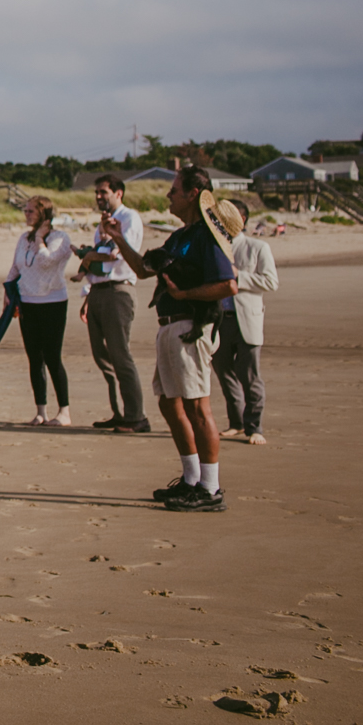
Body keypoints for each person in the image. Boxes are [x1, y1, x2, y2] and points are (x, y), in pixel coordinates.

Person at [99, 166, 239, 512]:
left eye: (174, 190)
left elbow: (229, 285)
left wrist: (185, 293)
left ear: (193, 194)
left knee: (196, 405)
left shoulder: (208, 235)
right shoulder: (181, 237)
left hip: (191, 326)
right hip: (171, 325)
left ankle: (210, 487)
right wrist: (118, 238)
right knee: (168, 402)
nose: (168, 196)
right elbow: (145, 269)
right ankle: (193, 479)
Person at [78, 175, 150, 432]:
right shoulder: (103, 224)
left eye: (103, 192)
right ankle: (119, 412)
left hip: (119, 291)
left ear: (118, 193)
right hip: (98, 290)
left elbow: (115, 256)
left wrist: (87, 257)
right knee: (102, 356)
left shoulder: (129, 218)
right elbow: (100, 261)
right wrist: (87, 293)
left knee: (121, 355)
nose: (99, 196)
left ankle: (136, 416)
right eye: (97, 192)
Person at [5, 195, 72, 427]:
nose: (27, 215)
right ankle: (40, 410)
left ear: (44, 214)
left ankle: (64, 411)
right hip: (27, 302)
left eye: (31, 211)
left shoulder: (60, 238)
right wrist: (8, 290)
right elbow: (16, 266)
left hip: (52, 302)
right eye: (26, 211)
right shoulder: (24, 238)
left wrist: (41, 238)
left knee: (53, 356)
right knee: (34, 358)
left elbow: (46, 262)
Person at [216, 199, 278, 445]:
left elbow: (271, 282)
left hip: (247, 320)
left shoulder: (258, 247)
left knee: (250, 375)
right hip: (220, 319)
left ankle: (255, 427)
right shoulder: (216, 248)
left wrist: (239, 276)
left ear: (241, 219)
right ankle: (236, 423)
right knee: (223, 373)